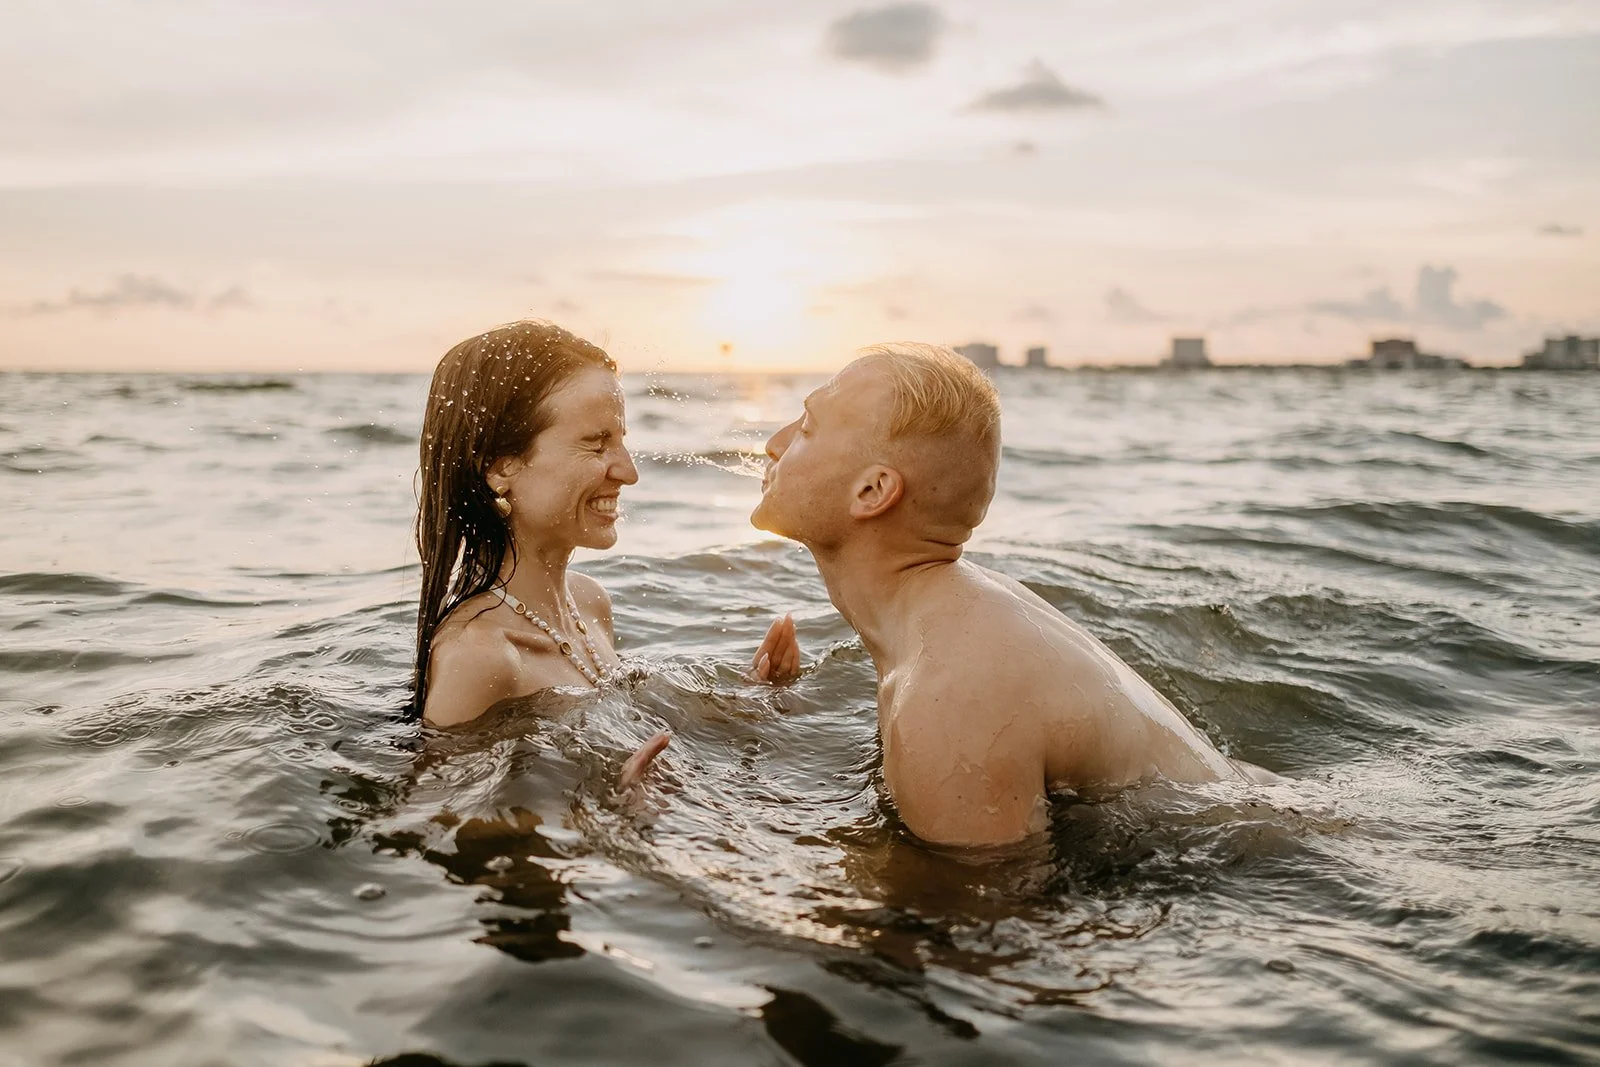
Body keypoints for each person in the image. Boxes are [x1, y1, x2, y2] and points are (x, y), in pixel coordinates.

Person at [749, 343, 1268, 849]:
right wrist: (777, 712)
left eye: (807, 428)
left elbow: (975, 922)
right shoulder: (959, 614)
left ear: (872, 491)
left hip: (1268, 871)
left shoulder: (948, 689)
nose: (774, 442)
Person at [412, 320, 670, 782]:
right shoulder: (479, 656)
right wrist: (615, 812)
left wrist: (758, 695)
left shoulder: (591, 603)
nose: (629, 473)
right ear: (500, 469)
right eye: (596, 443)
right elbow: (439, 821)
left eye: (621, 440)